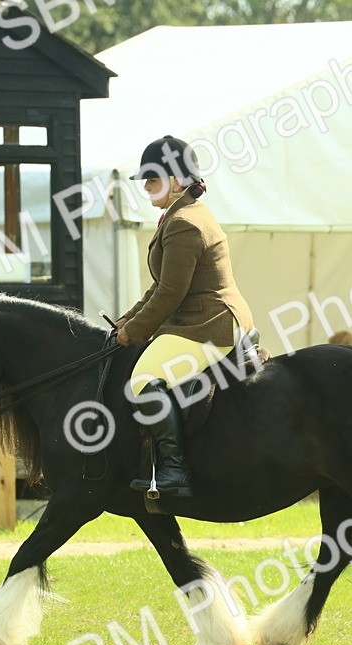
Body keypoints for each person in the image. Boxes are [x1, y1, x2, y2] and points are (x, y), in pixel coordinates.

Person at [115, 135, 255, 497]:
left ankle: (174, 470)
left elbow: (170, 293)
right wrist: (127, 320)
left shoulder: (184, 223)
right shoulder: (178, 216)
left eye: (153, 178)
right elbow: (161, 285)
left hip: (210, 323)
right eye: (145, 180)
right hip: (200, 318)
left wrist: (135, 332)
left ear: (177, 180)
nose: (146, 186)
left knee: (142, 380)